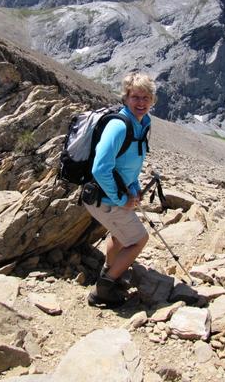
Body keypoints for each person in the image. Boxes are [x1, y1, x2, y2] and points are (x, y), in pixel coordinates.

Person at [83, 73, 156, 307]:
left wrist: (133, 188)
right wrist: (121, 198)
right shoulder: (118, 126)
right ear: (125, 98)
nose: (141, 102)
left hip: (115, 194)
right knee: (138, 240)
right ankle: (103, 289)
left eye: (146, 97)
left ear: (152, 100)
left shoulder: (143, 123)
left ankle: (110, 270)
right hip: (104, 197)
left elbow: (129, 163)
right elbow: (100, 168)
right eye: (135, 97)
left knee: (120, 235)